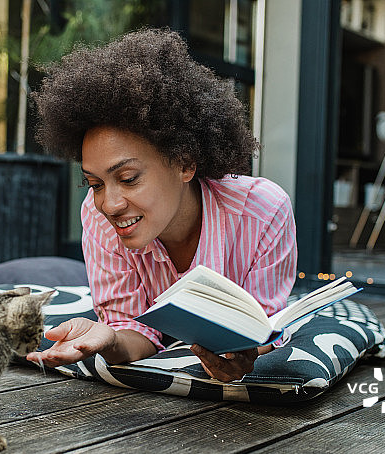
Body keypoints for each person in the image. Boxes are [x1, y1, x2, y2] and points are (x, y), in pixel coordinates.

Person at [27, 28, 296, 382]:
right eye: (94, 184)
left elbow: (264, 330)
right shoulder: (97, 216)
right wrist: (109, 338)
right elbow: (133, 332)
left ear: (184, 163)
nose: (109, 204)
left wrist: (245, 352)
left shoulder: (263, 211)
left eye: (128, 178)